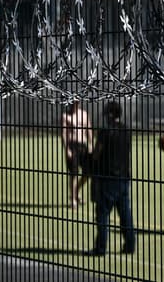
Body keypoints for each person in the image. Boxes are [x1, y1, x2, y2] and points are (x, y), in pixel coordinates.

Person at [84, 101, 136, 256]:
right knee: (125, 213)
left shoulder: (105, 131)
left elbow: (97, 153)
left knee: (102, 215)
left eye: (107, 114)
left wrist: (89, 157)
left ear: (111, 114)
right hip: (124, 177)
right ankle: (130, 245)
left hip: (108, 178)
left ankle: (100, 248)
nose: (105, 117)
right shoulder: (126, 130)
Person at [61, 101, 94, 208]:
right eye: (73, 103)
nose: (75, 104)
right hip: (72, 145)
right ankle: (73, 199)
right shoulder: (65, 116)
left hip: (83, 146)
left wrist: (91, 144)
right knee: (74, 173)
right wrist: (67, 149)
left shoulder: (84, 114)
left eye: (77, 103)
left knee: (88, 172)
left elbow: (89, 130)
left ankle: (75, 192)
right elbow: (64, 133)